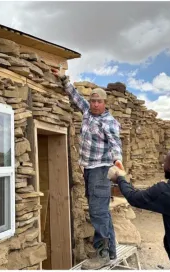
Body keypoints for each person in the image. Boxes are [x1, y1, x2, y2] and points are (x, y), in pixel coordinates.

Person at [52, 69, 123, 269]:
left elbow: (116, 144)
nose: (94, 104)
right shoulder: (88, 113)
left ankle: (101, 255)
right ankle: (111, 252)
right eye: (92, 101)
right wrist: (64, 79)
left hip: (101, 170)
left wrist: (118, 160)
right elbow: (75, 97)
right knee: (103, 212)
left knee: (97, 213)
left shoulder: (109, 122)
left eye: (98, 102)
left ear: (105, 103)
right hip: (90, 170)